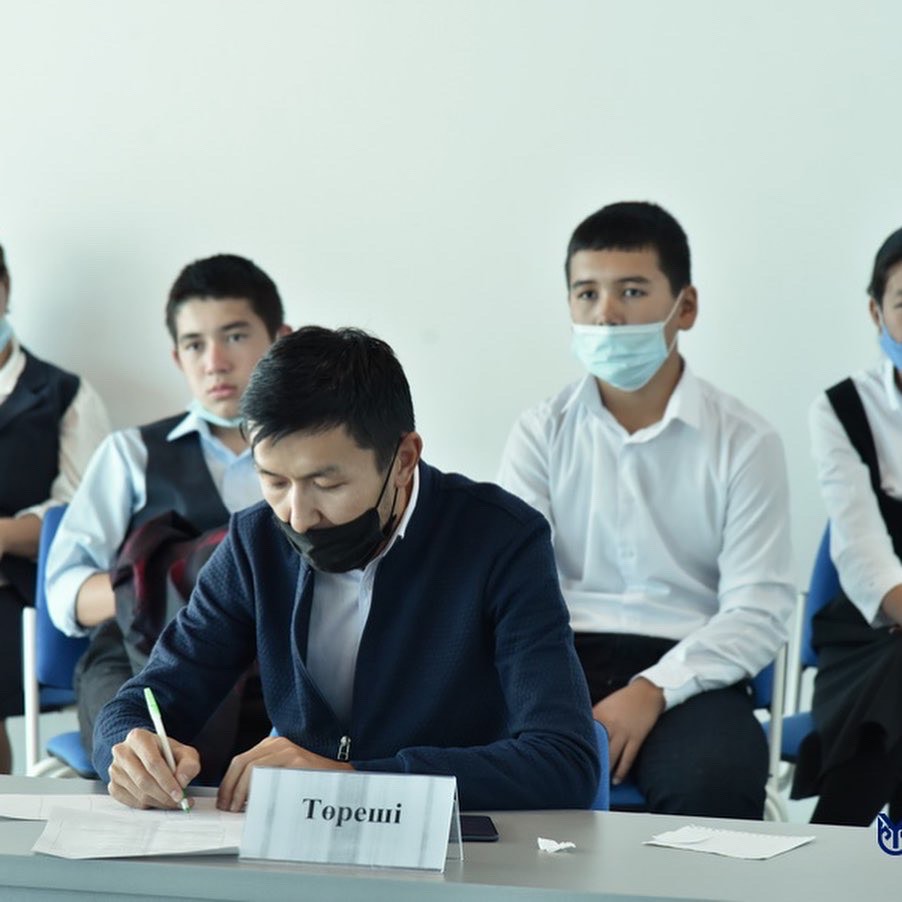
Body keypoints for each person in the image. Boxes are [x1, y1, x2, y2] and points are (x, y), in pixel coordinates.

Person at [93, 326, 599, 812]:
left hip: (454, 843)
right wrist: (131, 751)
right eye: (274, 481)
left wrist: (355, 781)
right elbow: (142, 704)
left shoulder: (502, 541)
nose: (297, 516)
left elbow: (564, 761)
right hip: (298, 835)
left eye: (327, 485)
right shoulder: (255, 542)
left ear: (404, 459)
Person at [498, 201, 794, 818]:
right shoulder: (540, 431)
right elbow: (511, 586)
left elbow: (758, 607)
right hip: (557, 656)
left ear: (685, 307)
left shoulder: (746, 441)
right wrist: (555, 689)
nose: (606, 313)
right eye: (587, 293)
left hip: (690, 666)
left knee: (714, 784)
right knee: (483, 765)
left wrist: (653, 689)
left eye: (632, 291)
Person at [47, 254, 288, 777]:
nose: (215, 362)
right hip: (141, 660)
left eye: (235, 336)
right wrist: (165, 581)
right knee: (138, 755)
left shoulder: (312, 458)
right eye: (195, 345)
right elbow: (64, 591)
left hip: (279, 666)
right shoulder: (130, 454)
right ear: (178, 358)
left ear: (280, 339)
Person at [792, 227, 902, 826]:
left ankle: (835, 849)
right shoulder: (842, 409)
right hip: (870, 633)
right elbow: (861, 552)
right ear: (876, 312)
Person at [0, 241, 111, 773]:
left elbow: (83, 512)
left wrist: (5, 535)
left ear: (5, 287)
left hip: (19, 590)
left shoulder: (64, 393)